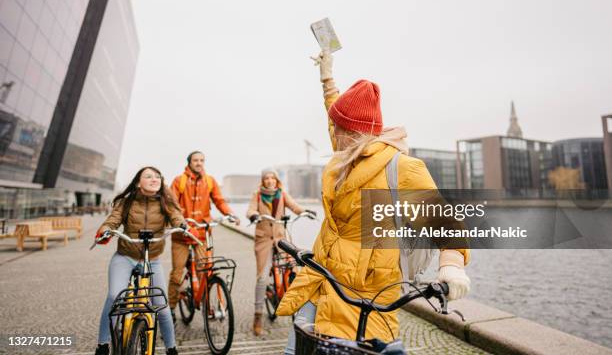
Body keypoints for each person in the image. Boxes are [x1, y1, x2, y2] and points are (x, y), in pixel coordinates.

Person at [276, 51, 471, 354]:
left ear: (355, 133)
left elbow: (446, 223)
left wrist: (453, 266)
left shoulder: (401, 168)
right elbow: (334, 113)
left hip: (367, 297)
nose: (333, 132)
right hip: (320, 281)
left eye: (339, 128)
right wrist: (327, 77)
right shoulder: (347, 154)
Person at [94, 167, 187, 355]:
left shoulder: (165, 201)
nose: (155, 179)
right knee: (114, 296)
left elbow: (176, 216)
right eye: (149, 176)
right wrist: (105, 229)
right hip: (125, 256)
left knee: (161, 305)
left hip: (151, 259)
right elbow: (113, 220)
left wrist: (182, 225)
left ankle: (171, 348)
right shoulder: (126, 202)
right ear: (138, 182)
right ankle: (103, 345)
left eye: (157, 176)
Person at [167, 150, 240, 322]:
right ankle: (170, 308)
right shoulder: (179, 181)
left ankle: (208, 306)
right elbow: (171, 205)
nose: (199, 163)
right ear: (189, 162)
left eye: (202, 160)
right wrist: (179, 223)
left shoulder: (210, 180)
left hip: (201, 234)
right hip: (181, 235)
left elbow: (219, 200)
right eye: (196, 160)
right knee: (177, 274)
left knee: (205, 271)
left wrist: (230, 213)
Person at [246, 168, 316, 336]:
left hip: (280, 239)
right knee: (262, 277)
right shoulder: (257, 195)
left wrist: (305, 211)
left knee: (294, 269)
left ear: (277, 180)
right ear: (263, 181)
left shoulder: (282, 194)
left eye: (273, 178)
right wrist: (254, 215)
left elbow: (294, 207)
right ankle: (257, 317)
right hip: (263, 240)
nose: (270, 181)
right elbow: (250, 210)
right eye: (267, 178)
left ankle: (297, 309)